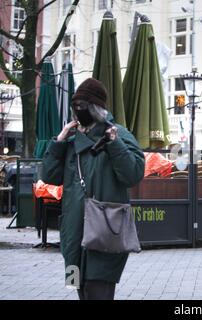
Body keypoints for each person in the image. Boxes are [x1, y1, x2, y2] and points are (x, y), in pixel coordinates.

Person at [41, 78, 145, 300]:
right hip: (72, 239)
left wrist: (114, 144)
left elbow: (133, 175)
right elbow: (48, 176)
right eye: (75, 106)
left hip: (105, 233)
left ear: (97, 109)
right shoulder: (70, 142)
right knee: (78, 289)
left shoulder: (119, 134)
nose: (79, 111)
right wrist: (58, 141)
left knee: (97, 292)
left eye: (84, 106)